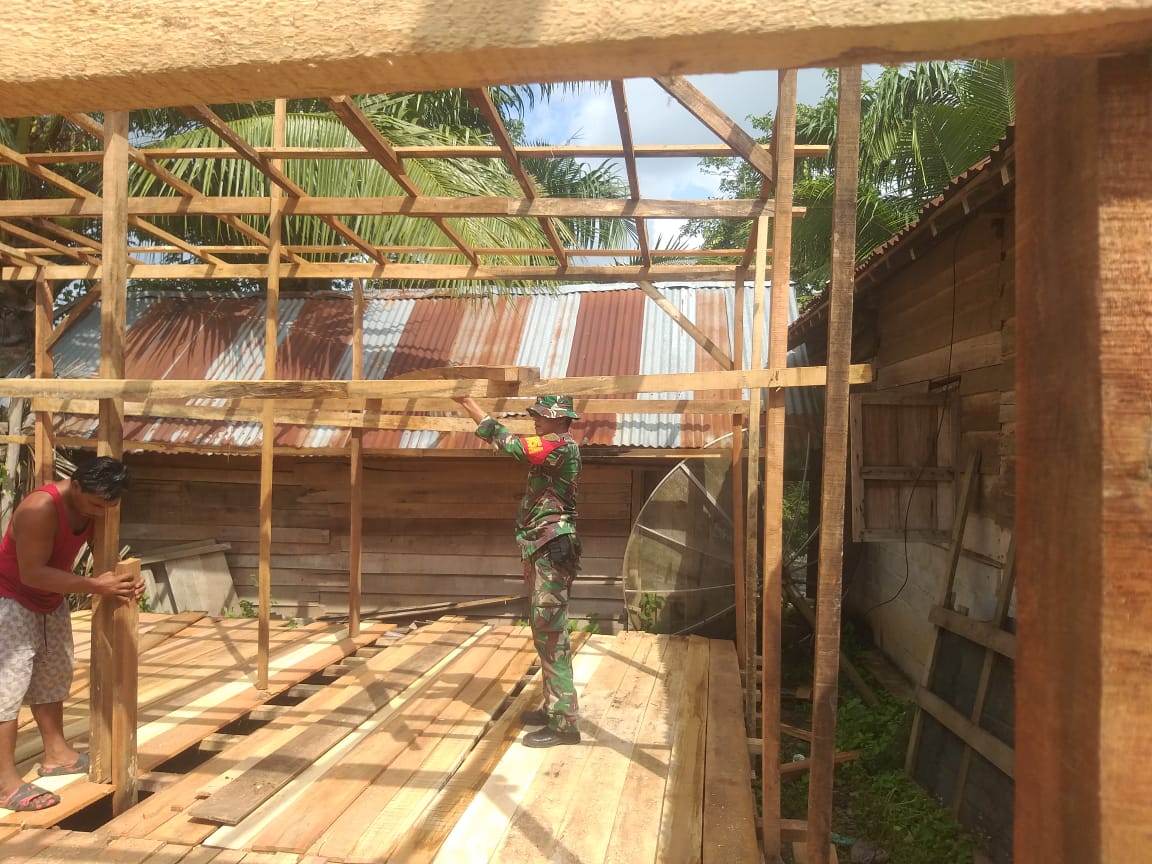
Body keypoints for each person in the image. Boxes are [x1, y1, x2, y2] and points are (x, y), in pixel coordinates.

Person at [0, 456, 141, 813]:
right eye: (95, 504)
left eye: (108, 506)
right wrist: (97, 586)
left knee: (53, 675)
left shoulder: (95, 507)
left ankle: (57, 754)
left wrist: (125, 582)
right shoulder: (39, 509)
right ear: (75, 485)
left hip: (50, 599)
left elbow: (104, 559)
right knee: (7, 690)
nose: (100, 512)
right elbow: (32, 573)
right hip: (9, 600)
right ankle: (4, 782)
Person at [455, 394, 583, 748]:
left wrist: (468, 403)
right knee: (544, 631)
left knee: (552, 633)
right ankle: (554, 707)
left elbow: (510, 444)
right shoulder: (554, 446)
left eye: (542, 415)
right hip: (542, 548)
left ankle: (565, 724)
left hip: (551, 549)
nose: (536, 420)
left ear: (561, 419)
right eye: (535, 414)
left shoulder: (558, 446)